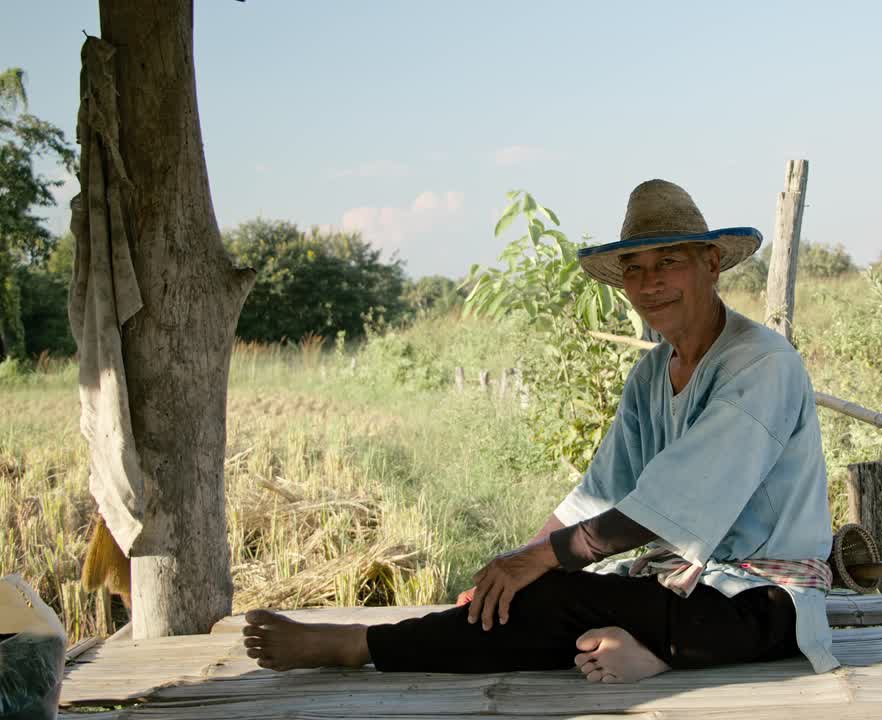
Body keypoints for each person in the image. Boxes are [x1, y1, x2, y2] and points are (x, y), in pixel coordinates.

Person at [242, 179, 838, 682]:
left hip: (761, 599)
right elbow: (600, 494)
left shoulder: (761, 363)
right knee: (528, 592)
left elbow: (662, 509)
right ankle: (648, 652)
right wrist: (515, 564)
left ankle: (359, 647)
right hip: (682, 590)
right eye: (635, 269)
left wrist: (541, 564)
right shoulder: (652, 373)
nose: (650, 283)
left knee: (555, 594)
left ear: (711, 264)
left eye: (669, 263)